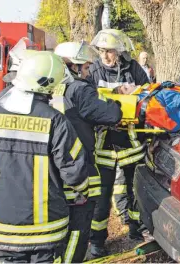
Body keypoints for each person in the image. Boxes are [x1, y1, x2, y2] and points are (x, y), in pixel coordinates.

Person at [0, 52, 89, 263]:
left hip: (4, 228)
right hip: (45, 229)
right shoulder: (55, 121)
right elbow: (75, 174)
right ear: (48, 84)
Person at [53, 41, 123, 263]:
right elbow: (111, 114)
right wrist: (114, 102)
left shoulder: (50, 88)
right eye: (84, 68)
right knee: (78, 225)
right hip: (78, 165)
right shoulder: (80, 89)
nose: (87, 73)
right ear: (73, 67)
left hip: (54, 168)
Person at [88, 29, 149, 257]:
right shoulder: (93, 70)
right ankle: (97, 241)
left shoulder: (134, 69)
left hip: (130, 142)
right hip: (104, 142)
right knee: (101, 195)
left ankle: (135, 229)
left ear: (119, 51)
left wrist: (136, 93)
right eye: (102, 51)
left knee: (133, 190)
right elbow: (87, 98)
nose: (105, 56)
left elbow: (147, 94)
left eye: (110, 51)